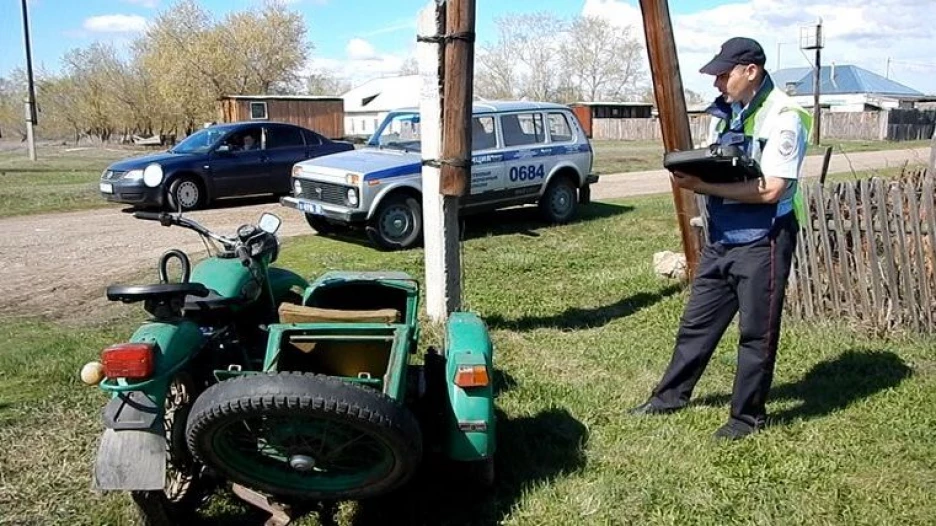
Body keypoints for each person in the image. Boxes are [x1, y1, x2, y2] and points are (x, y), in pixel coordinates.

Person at [630, 37, 812, 440]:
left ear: (752, 71)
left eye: (723, 74)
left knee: (756, 334)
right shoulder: (724, 114)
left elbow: (771, 189)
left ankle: (745, 419)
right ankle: (668, 398)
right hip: (723, 239)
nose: (716, 83)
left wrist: (701, 187)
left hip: (764, 241)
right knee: (696, 324)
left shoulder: (784, 116)